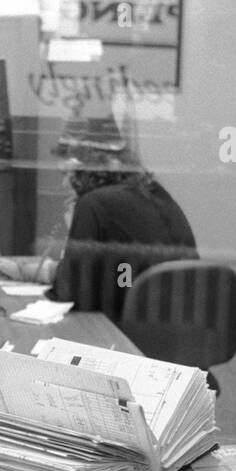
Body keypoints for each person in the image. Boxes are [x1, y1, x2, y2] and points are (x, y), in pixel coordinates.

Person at [47, 116, 198, 321]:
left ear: (89, 170)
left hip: (130, 329)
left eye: (67, 174)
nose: (64, 184)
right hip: (184, 318)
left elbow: (69, 294)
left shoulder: (94, 204)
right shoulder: (152, 191)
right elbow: (114, 274)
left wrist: (72, 230)